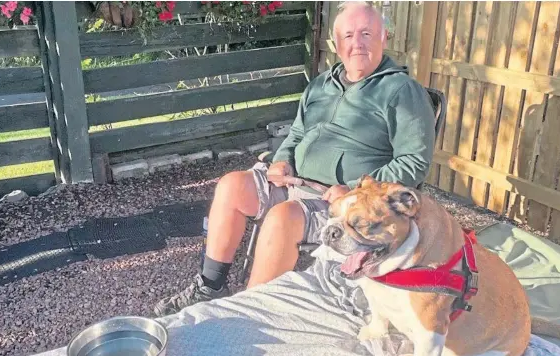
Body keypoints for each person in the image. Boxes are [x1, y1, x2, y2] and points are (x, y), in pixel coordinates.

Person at [154, 1, 436, 317]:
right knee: (232, 185)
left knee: (282, 218)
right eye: (348, 35)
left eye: (366, 33)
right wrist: (282, 160)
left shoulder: (401, 90)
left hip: (344, 202)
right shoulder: (320, 85)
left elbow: (414, 161)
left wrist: (357, 193)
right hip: (294, 180)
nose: (356, 43)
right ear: (336, 43)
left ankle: (247, 316)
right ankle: (210, 286)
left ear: (384, 37)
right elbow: (296, 134)